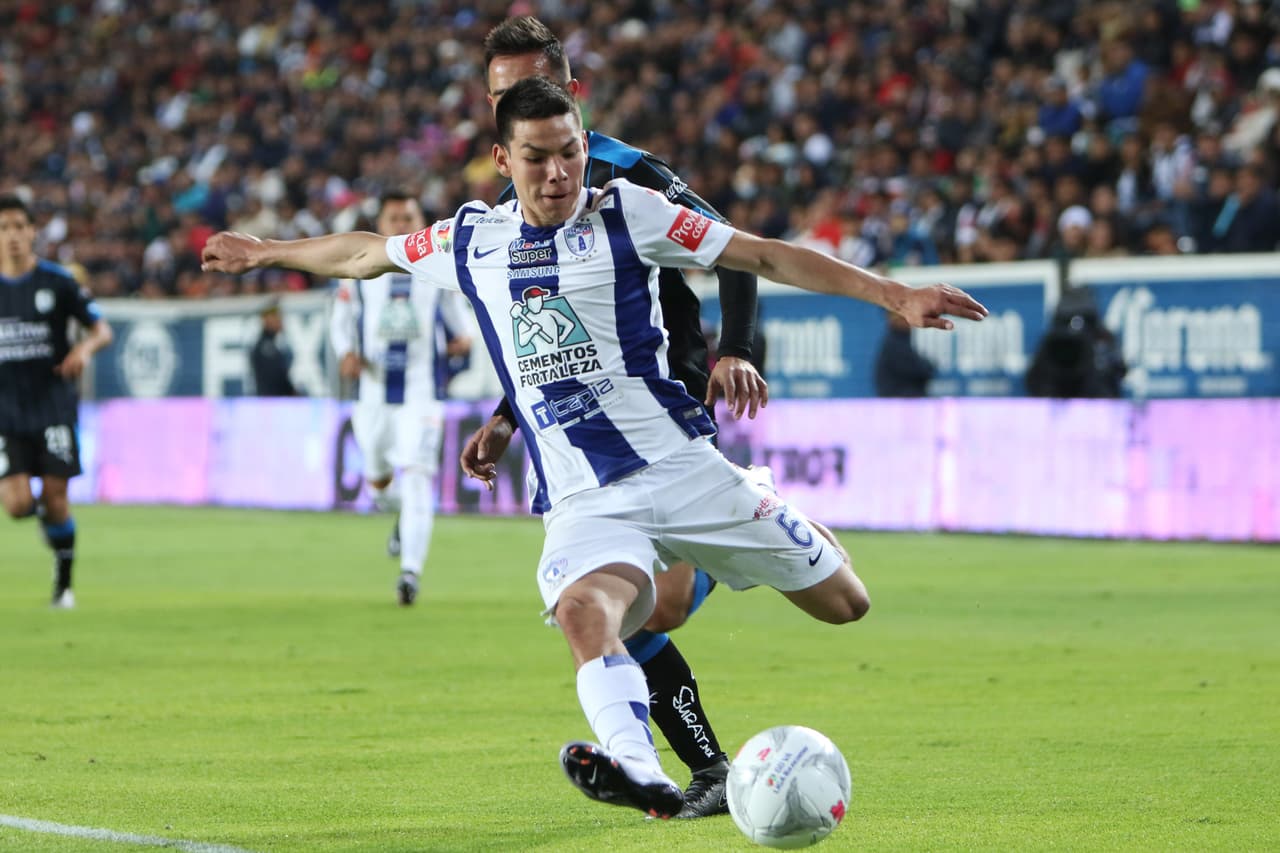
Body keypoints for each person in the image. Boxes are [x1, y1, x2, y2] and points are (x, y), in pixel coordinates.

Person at [200, 76, 988, 819]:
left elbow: (764, 254)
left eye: (569, 150)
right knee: (584, 611)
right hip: (584, 495)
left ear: (584, 143)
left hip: (682, 466)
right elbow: (364, 253)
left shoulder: (629, 213)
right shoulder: (472, 239)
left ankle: (767, 504)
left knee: (847, 604)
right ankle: (639, 768)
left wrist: (894, 293)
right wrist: (267, 251)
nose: (558, 172)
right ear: (503, 160)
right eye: (537, 157)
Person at [459, 16, 769, 817]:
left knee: (651, 607)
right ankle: (708, 770)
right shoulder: (513, 197)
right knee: (622, 613)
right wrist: (503, 418)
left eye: (536, 89)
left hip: (667, 414)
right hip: (588, 449)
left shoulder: (636, 175)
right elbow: (549, 337)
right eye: (501, 95)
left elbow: (737, 249)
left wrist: (735, 347)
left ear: (574, 93)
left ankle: (740, 531)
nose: (517, 103)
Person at [329, 192, 475, 605]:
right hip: (372, 394)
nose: (400, 224)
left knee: (416, 477)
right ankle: (401, 519)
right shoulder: (356, 269)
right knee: (377, 486)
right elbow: (341, 320)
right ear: (380, 222)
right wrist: (347, 354)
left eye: (407, 216)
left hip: (421, 394)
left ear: (419, 219)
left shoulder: (436, 268)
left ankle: (410, 572)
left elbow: (458, 319)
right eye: (393, 217)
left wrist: (462, 338)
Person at [0, 193, 113, 608]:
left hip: (52, 407)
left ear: (32, 231)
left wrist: (83, 350)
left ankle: (63, 585)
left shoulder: (57, 282)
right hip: (5, 412)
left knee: (56, 497)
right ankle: (47, 520)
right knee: (15, 505)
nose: (11, 235)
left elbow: (102, 330)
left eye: (18, 226)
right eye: (3, 227)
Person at [874, 310, 935, 397]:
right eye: (902, 318)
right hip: (899, 403)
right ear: (891, 319)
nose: (907, 321)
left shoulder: (902, 340)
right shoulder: (894, 343)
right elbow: (923, 370)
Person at [249, 300, 297, 396]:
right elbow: (277, 378)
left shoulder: (271, 343)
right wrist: (292, 392)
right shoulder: (265, 348)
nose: (280, 320)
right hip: (272, 403)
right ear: (266, 320)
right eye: (276, 316)